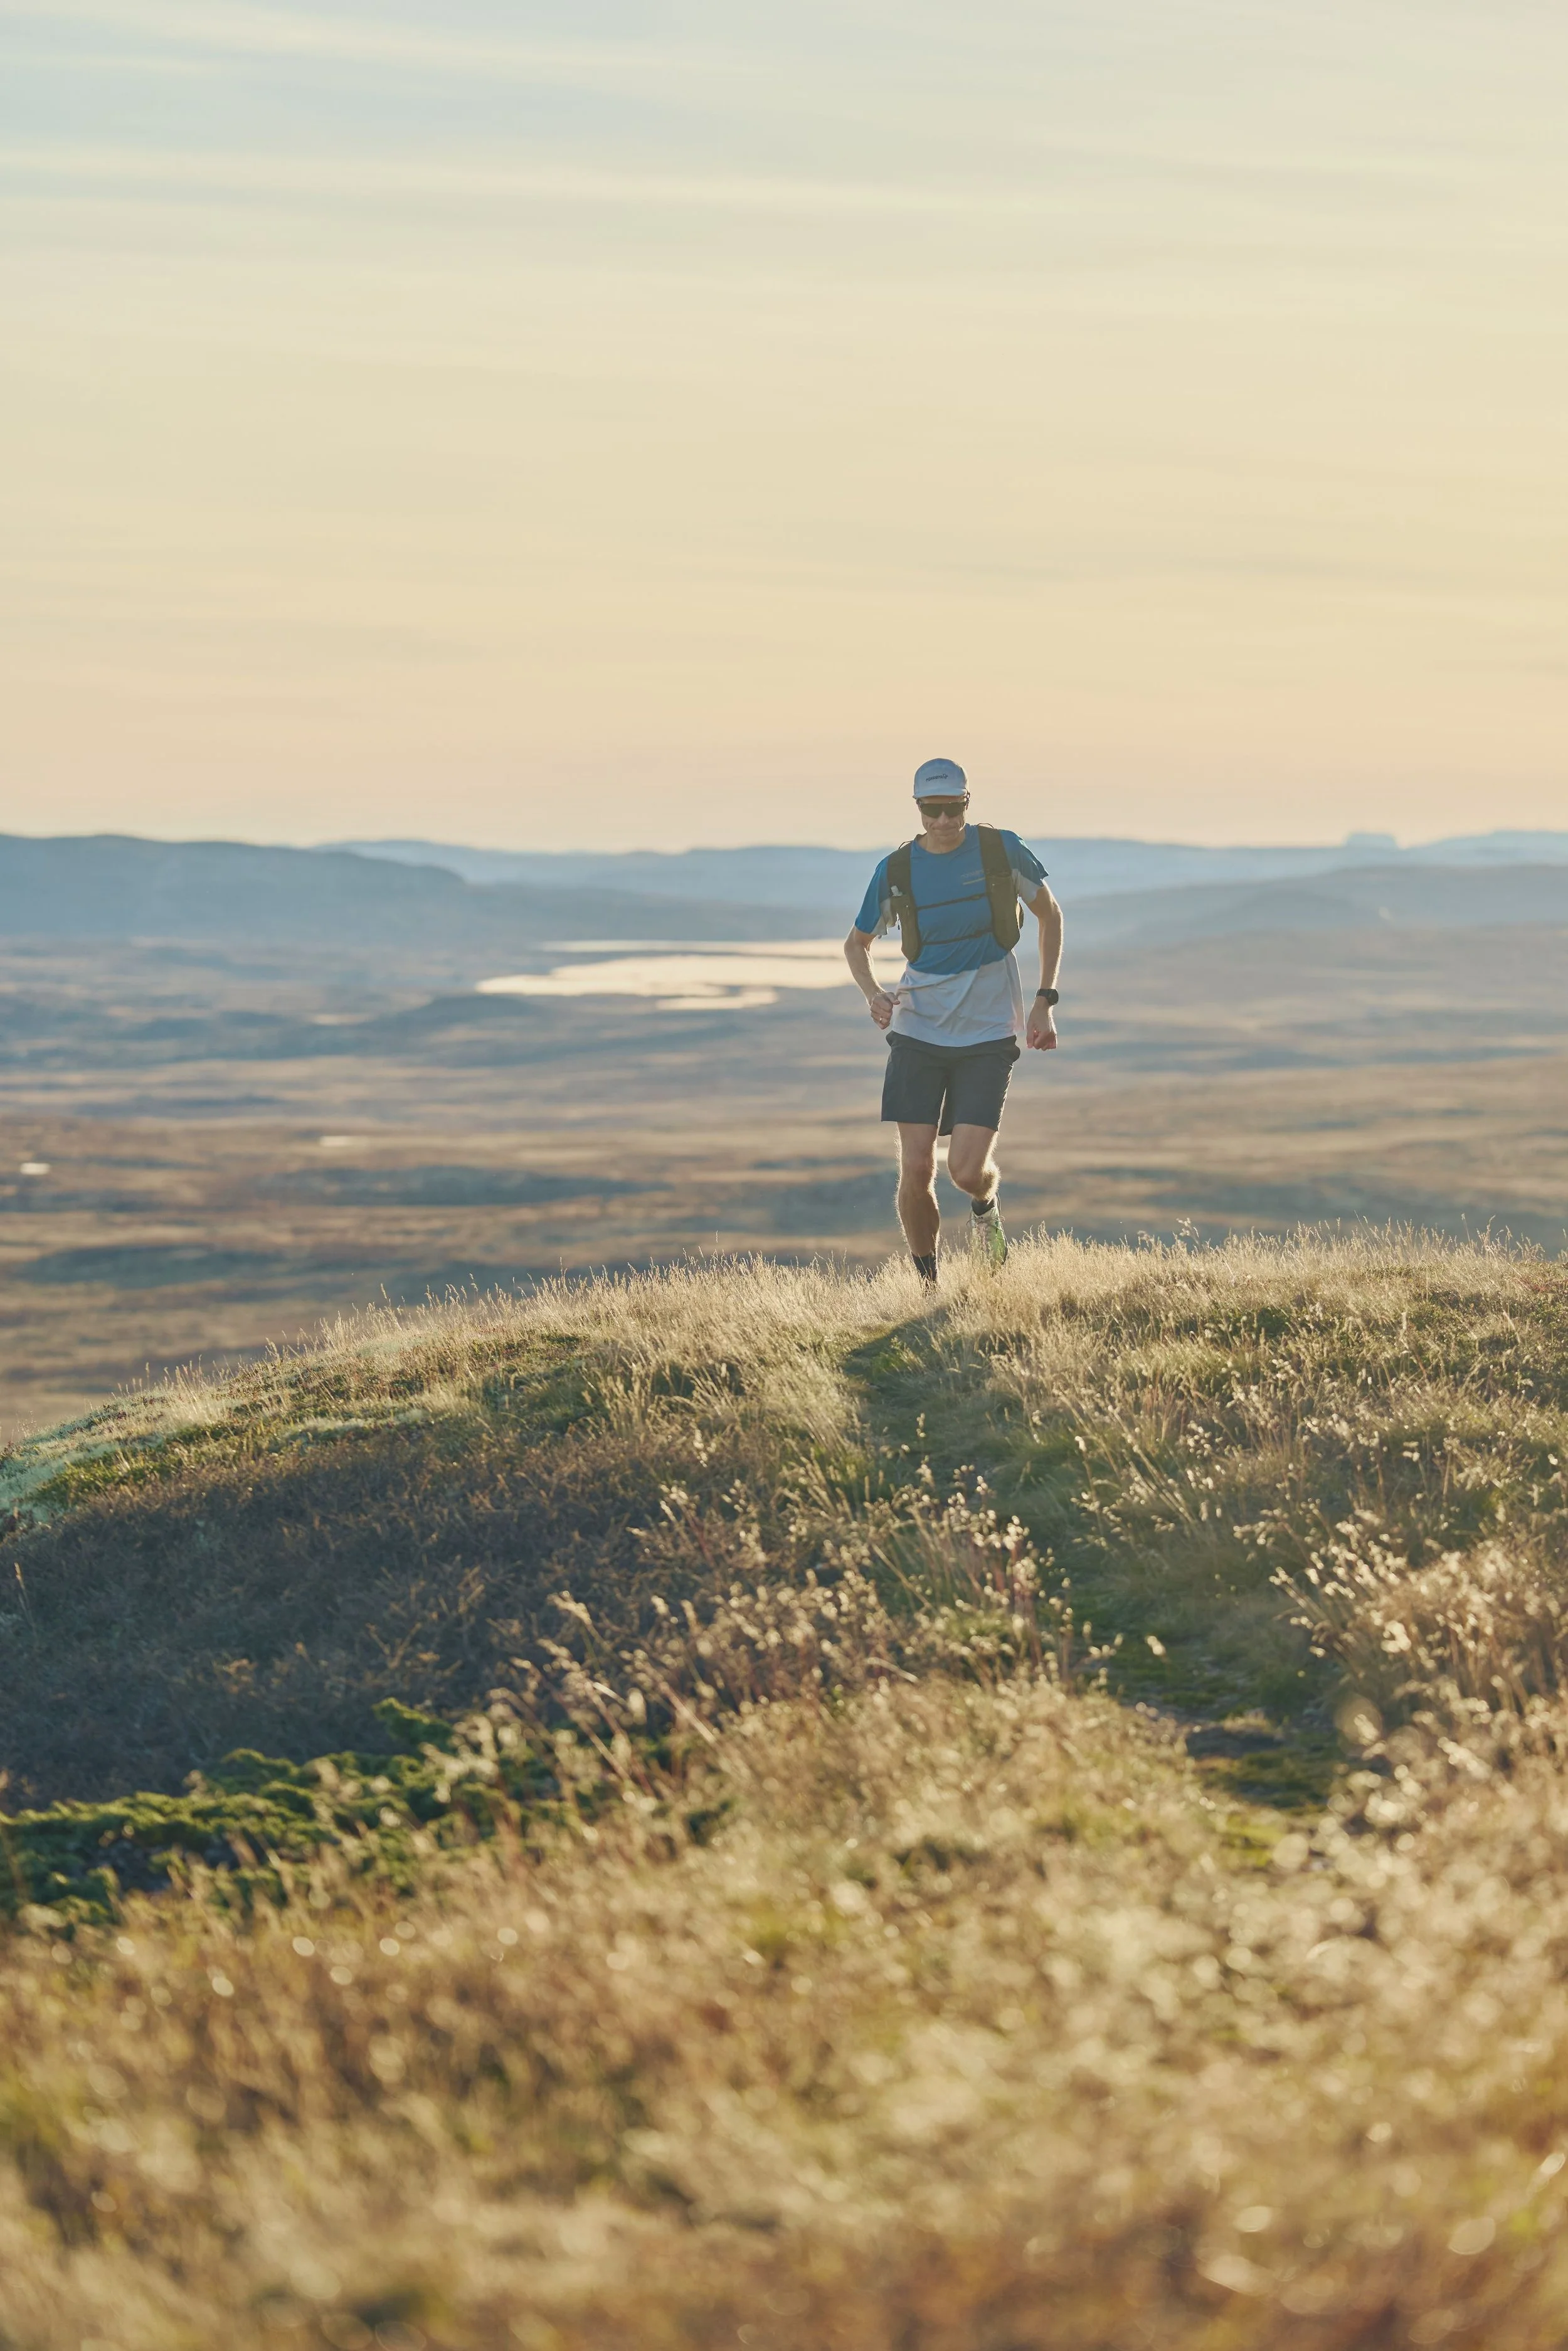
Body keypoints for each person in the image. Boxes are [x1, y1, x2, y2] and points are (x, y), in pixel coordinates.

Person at [843, 756, 1062, 1284]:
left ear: (968, 802)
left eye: (953, 808)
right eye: (932, 810)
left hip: (988, 1032)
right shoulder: (896, 870)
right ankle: (928, 1288)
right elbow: (857, 944)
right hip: (917, 1029)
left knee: (966, 1173)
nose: (943, 821)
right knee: (917, 1167)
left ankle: (986, 1208)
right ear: (918, 809)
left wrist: (1044, 1000)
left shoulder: (1000, 850)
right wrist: (873, 994)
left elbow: (1049, 914)